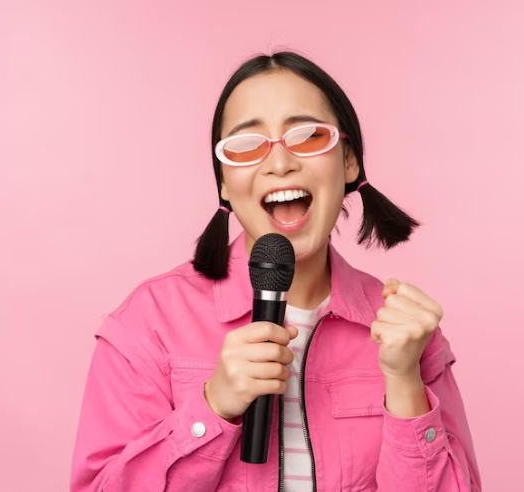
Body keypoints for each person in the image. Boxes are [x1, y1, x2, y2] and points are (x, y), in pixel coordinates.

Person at [70, 51, 481, 492]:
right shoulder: (148, 323)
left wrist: (404, 382)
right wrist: (213, 408)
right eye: (247, 145)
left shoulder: (405, 330)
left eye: (307, 136)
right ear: (224, 183)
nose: (280, 162)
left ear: (348, 162)